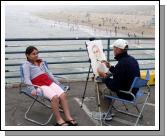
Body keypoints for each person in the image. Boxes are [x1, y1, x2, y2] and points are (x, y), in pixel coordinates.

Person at [22, 46, 77, 126]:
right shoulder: (26, 65)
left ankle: (68, 117)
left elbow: (49, 73)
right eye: (33, 54)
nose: (36, 55)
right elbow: (26, 79)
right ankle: (59, 120)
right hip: (39, 85)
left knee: (62, 95)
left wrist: (57, 82)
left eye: (37, 53)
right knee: (55, 98)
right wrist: (32, 89)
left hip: (49, 82)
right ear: (27, 55)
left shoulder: (41, 62)